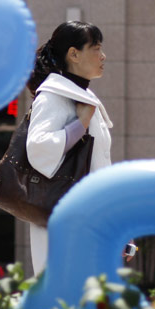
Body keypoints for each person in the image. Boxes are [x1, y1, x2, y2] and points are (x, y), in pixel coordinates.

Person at [25, 21, 112, 275]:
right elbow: (38, 148)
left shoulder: (81, 97)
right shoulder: (53, 96)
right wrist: (81, 124)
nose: (103, 56)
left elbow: (98, 167)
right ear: (74, 54)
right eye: (96, 48)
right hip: (64, 222)